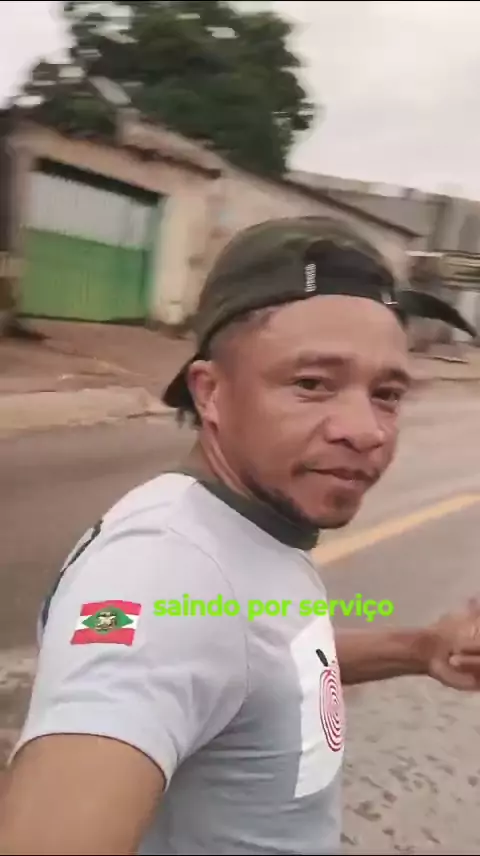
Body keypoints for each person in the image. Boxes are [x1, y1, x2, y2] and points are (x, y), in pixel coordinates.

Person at [0, 217, 479, 856]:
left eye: (386, 393)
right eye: (312, 384)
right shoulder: (157, 573)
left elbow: (255, 654)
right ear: (211, 392)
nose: (365, 430)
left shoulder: (241, 526)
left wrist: (420, 647)